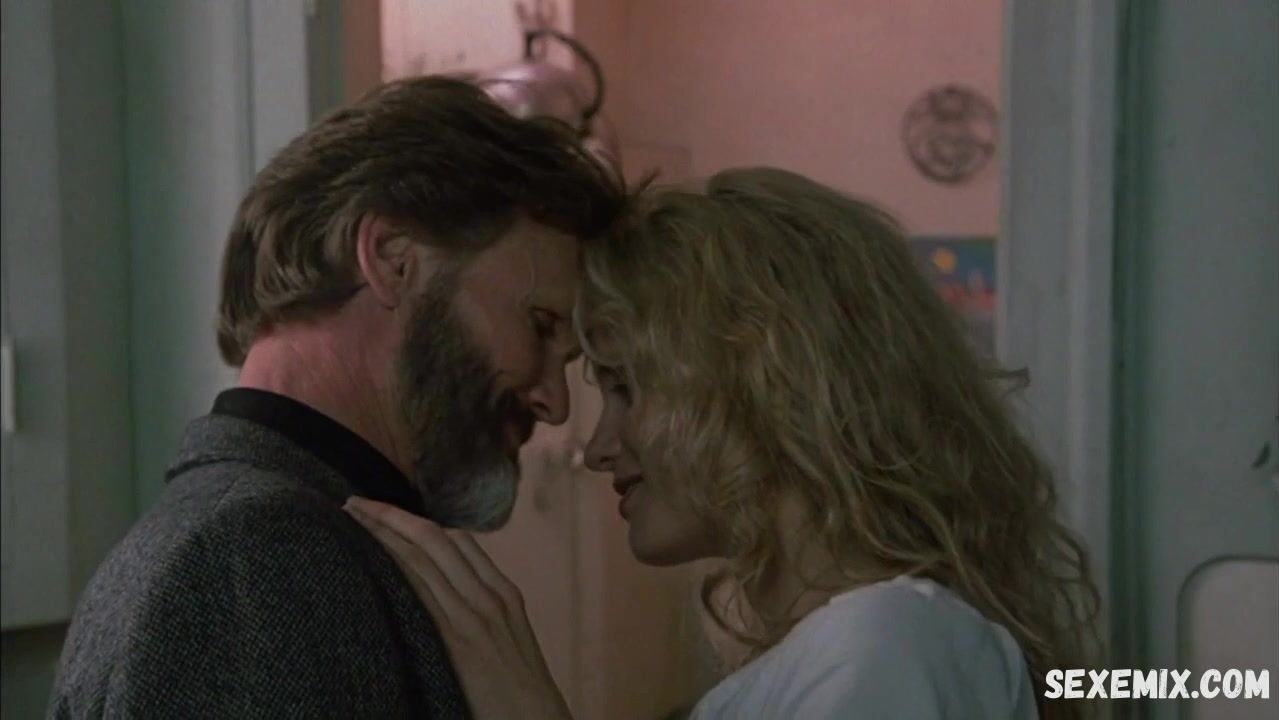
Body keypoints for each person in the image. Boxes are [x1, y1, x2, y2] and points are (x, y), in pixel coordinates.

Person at [346, 167, 1101, 719]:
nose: (599, 446)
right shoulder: (843, 647)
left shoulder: (887, 643)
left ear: (766, 384)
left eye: (627, 388)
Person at [49, 76, 623, 718]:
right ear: (392, 257)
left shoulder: (273, 535)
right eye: (540, 324)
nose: (555, 404)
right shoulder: (259, 556)